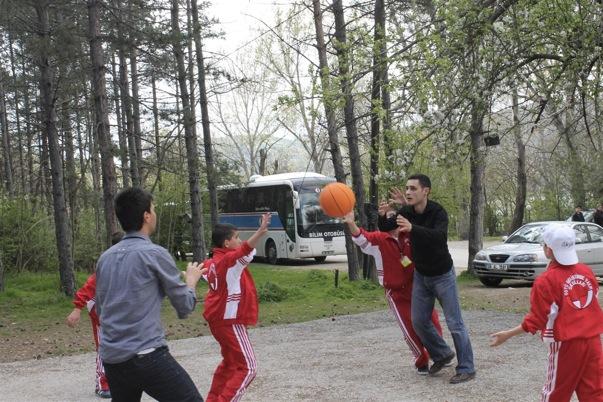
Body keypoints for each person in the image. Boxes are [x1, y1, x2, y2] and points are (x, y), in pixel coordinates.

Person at [95, 187, 206, 402]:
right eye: (153, 209)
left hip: (112, 358)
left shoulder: (105, 258)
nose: (154, 214)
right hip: (146, 355)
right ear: (146, 216)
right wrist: (191, 282)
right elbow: (184, 306)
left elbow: (101, 309)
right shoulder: (155, 254)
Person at [378, 174, 475, 384]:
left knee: (454, 323)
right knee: (419, 321)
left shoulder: (437, 211)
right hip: (421, 275)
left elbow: (439, 237)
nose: (408, 192)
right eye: (407, 188)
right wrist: (383, 216)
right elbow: (386, 228)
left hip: (442, 275)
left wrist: (413, 228)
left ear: (426, 191)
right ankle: (441, 354)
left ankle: (467, 367)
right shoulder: (407, 211)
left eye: (413, 188)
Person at [490, 224, 603, 402]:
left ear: (548, 250)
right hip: (593, 341)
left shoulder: (545, 281)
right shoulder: (586, 271)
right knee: (594, 393)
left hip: (565, 344)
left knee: (555, 393)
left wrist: (508, 334)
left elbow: (537, 320)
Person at [342, 208, 443, 375]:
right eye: (387, 214)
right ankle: (421, 361)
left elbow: (429, 234)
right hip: (396, 293)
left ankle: (439, 354)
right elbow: (361, 238)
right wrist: (351, 222)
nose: (392, 216)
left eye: (395, 213)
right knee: (409, 328)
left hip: (418, 288)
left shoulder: (411, 234)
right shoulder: (379, 239)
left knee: (432, 321)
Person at [203, 213, 271, 402]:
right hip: (229, 320)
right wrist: (260, 231)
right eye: (236, 237)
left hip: (218, 320)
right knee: (248, 367)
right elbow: (245, 250)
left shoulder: (212, 262)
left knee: (230, 364)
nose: (239, 240)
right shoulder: (228, 261)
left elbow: (206, 270)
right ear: (226, 243)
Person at [65, 231, 124, 399]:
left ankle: (118, 379)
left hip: (114, 311)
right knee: (104, 346)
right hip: (99, 311)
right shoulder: (108, 264)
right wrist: (77, 309)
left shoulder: (128, 262)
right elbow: (88, 288)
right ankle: (102, 384)